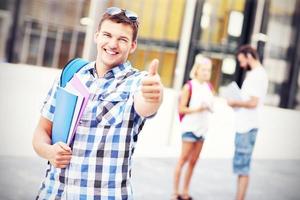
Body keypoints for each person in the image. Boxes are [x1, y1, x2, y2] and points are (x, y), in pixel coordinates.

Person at [32, 7, 163, 199]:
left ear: (133, 46)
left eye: (122, 39)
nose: (113, 44)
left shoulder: (137, 82)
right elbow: (41, 132)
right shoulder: (70, 76)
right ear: (96, 36)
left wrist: (153, 96)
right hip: (53, 193)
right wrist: (50, 152)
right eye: (107, 35)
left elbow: (146, 105)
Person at [227, 45, 268, 200]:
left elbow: (253, 103)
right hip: (245, 125)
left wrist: (235, 102)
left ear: (249, 56)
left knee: (243, 167)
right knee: (240, 166)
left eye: (242, 61)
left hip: (248, 127)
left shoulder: (258, 75)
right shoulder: (255, 74)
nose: (241, 65)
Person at [172, 55, 214, 200]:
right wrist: (198, 109)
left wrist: (208, 108)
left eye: (208, 70)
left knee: (193, 162)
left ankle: (185, 192)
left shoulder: (209, 87)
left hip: (203, 130)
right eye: (203, 70)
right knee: (183, 159)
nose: (206, 73)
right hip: (190, 128)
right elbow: (181, 108)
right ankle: (174, 193)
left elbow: (211, 106)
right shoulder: (189, 86)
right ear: (196, 70)